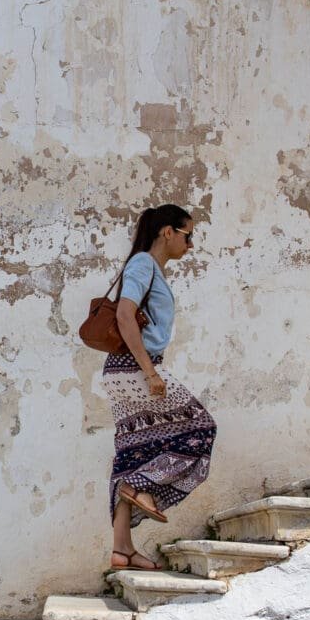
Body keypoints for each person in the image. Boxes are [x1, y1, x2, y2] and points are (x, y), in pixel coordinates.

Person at [101, 205, 217, 571]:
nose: (191, 244)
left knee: (135, 449)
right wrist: (151, 373)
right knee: (200, 427)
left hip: (129, 368)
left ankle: (122, 548)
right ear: (168, 232)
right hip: (135, 367)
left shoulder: (150, 269)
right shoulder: (142, 265)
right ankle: (140, 487)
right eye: (188, 235)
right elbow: (123, 315)